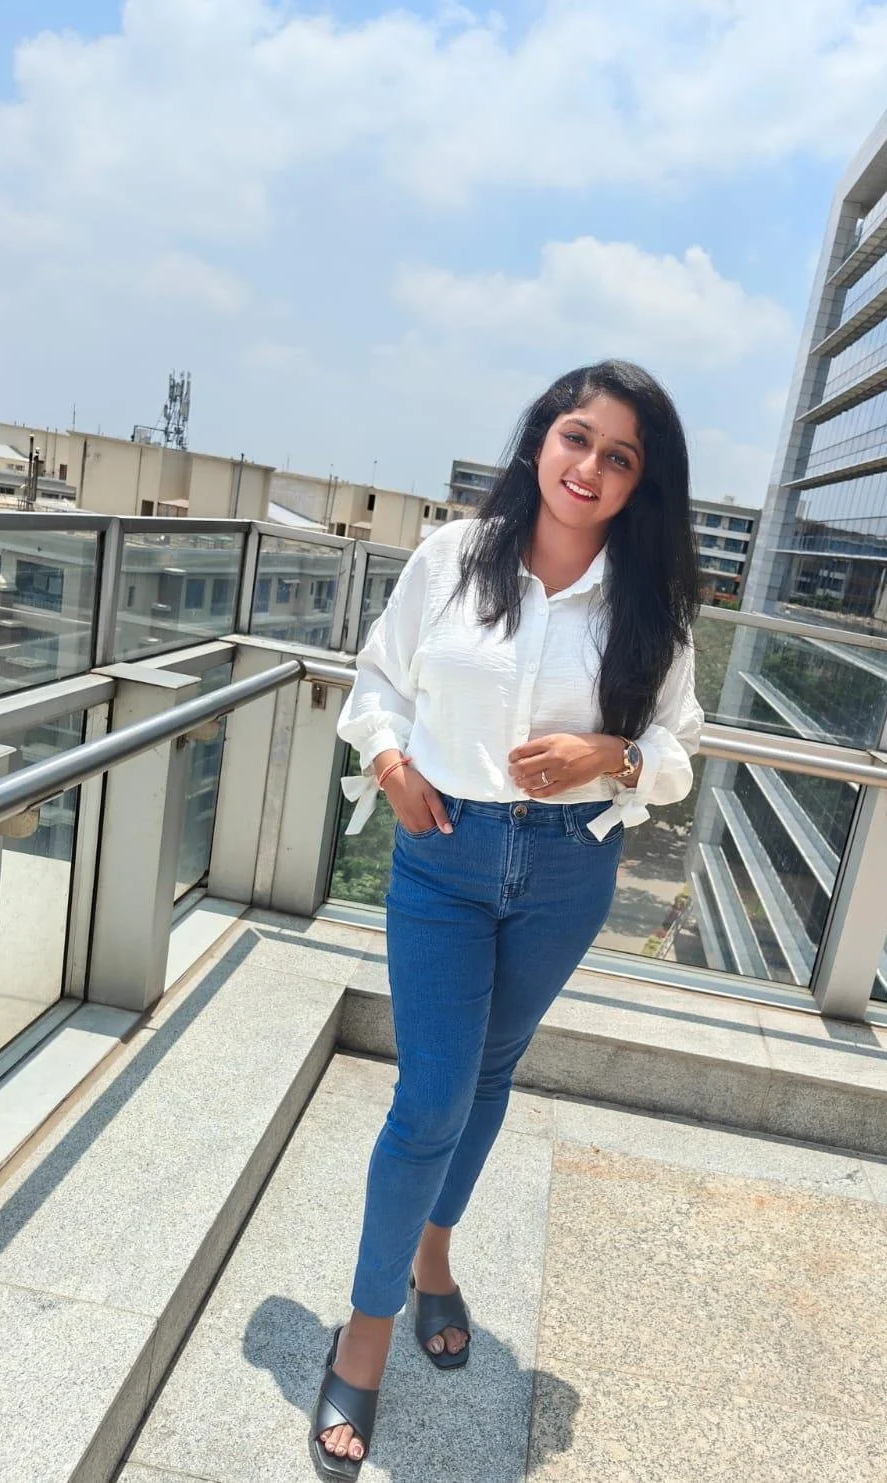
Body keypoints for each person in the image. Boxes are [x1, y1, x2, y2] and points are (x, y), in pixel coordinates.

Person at [312, 360, 704, 1478]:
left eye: (620, 456)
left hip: (568, 869)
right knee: (429, 1096)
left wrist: (610, 753)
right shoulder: (451, 558)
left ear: (640, 483)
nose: (590, 468)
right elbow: (377, 684)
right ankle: (366, 1330)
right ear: (542, 439)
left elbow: (678, 750)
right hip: (443, 854)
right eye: (577, 438)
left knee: (489, 1074)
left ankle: (434, 1258)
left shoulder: (651, 605)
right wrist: (390, 764)